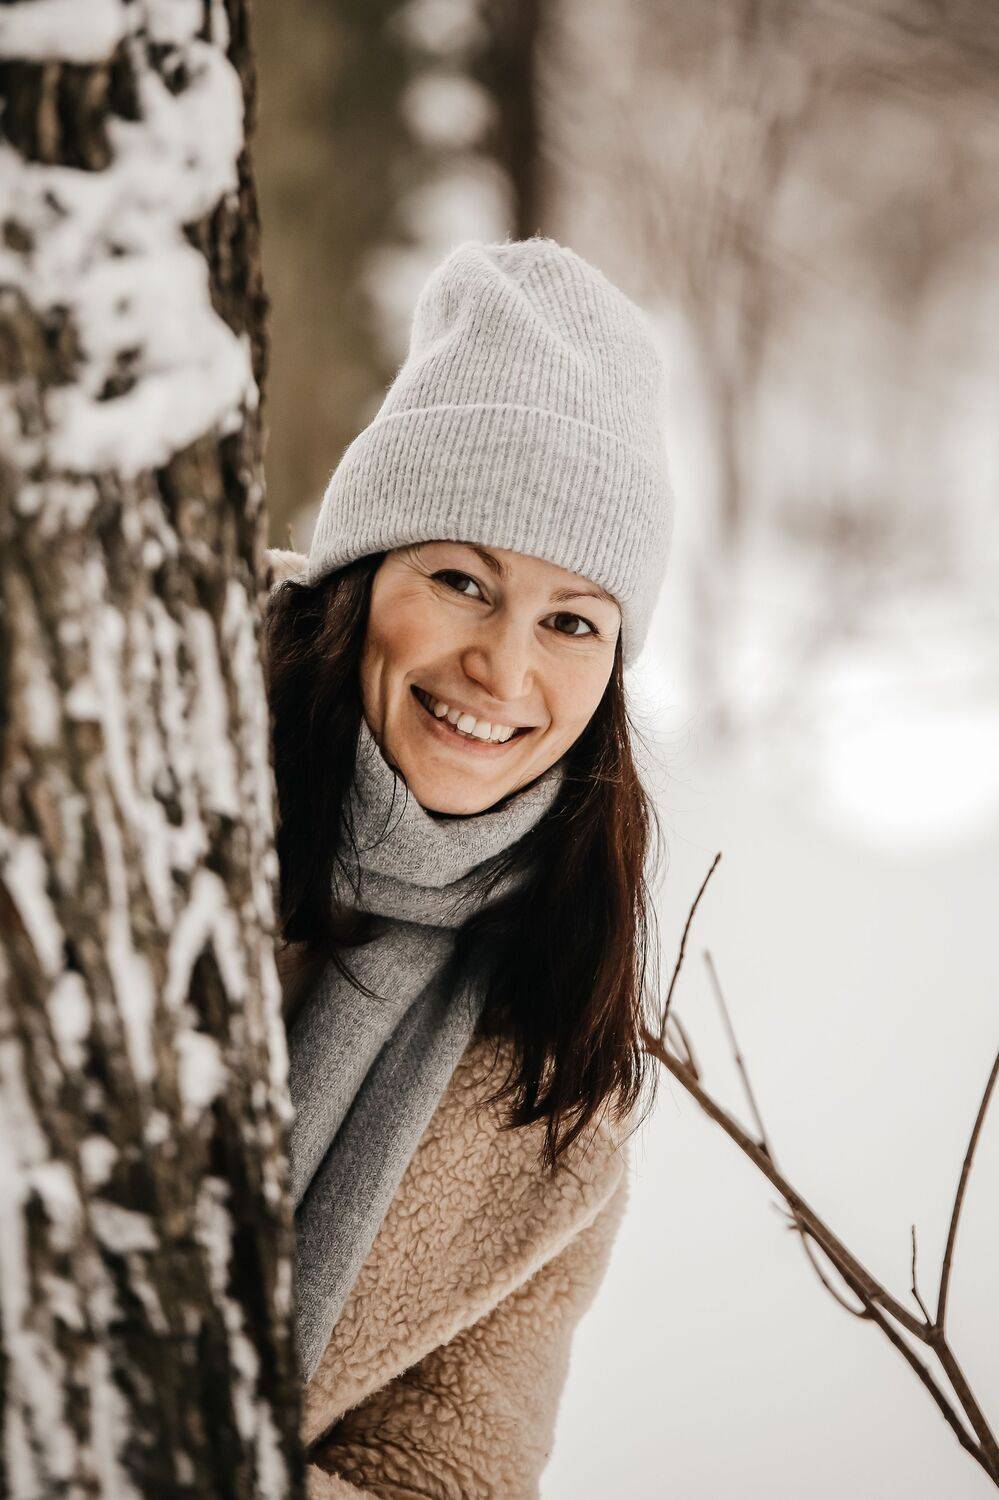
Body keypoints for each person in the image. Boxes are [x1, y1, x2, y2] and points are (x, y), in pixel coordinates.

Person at [263, 235, 676, 1498]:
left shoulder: (555, 1074)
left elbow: (443, 1474)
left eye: (571, 621)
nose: (505, 669)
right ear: (360, 575)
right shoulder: (128, 762)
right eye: (461, 580)